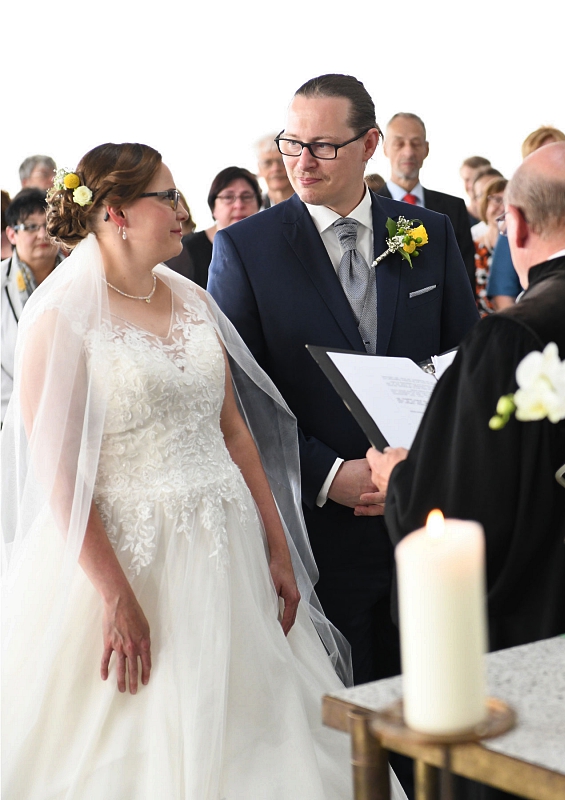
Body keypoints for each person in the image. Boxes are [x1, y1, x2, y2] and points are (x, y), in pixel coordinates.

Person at [2, 142, 408, 800]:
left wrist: (277, 547)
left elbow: (234, 433)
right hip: (132, 561)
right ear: (116, 214)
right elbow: (58, 477)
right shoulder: (58, 319)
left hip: (227, 548)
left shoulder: (190, 300)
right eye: (165, 197)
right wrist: (114, 595)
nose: (182, 210)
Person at [207, 74, 480, 688]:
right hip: (317, 528)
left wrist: (417, 464)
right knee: (348, 719)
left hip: (423, 517)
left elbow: (465, 360)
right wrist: (330, 475)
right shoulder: (247, 249)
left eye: (324, 146)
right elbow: (238, 395)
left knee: (437, 697)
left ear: (370, 144)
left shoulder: (428, 234)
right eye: (293, 143)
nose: (303, 162)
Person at [366, 142, 565, 658]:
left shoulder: (513, 337)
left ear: (513, 225)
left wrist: (400, 479)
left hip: (558, 632)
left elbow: (460, 511)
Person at [377, 113, 476, 291]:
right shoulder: (368, 205)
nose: (408, 152)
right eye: (399, 143)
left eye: (415, 143)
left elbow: (465, 276)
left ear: (426, 149)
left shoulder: (454, 208)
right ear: (385, 149)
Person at [487, 126, 565, 312]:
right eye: (539, 157)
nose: (550, 164)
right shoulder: (515, 221)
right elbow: (503, 295)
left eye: (556, 154)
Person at [1, 188, 62, 422]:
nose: (42, 234)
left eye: (48, 224)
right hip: (12, 417)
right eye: (30, 227)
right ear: (12, 234)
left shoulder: (82, 279)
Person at [174, 166, 261, 288]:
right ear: (213, 207)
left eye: (246, 196)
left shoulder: (271, 245)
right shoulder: (185, 251)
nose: (239, 205)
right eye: (228, 197)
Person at [472, 178, 507, 316]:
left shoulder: (524, 248)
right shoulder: (470, 247)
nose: (503, 208)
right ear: (485, 205)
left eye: (509, 201)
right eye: (497, 200)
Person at [256, 133, 294, 208]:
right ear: (259, 169)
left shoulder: (314, 204)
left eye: (282, 161)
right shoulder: (254, 210)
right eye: (267, 163)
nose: (275, 169)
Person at [459, 155, 491, 225]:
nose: (471, 185)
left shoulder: (501, 215)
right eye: (467, 180)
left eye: (476, 179)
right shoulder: (456, 218)